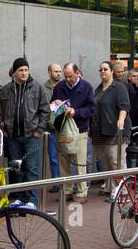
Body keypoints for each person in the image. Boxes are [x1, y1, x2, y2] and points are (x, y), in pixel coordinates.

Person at [0, 57, 50, 209]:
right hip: (13, 136)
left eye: (26, 70)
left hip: (31, 136)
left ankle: (32, 200)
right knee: (17, 169)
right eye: (21, 70)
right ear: (14, 72)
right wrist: (5, 130)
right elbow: (1, 111)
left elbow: (45, 111)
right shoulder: (6, 89)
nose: (24, 73)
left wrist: (39, 130)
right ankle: (20, 198)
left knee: (32, 168)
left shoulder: (37, 88)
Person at [51, 62, 95, 201]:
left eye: (70, 76)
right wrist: (56, 103)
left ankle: (82, 191)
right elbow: (52, 103)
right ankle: (67, 190)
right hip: (63, 128)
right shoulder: (60, 86)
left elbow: (91, 108)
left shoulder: (87, 87)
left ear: (77, 73)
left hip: (79, 129)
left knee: (79, 160)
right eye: (66, 77)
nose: (68, 79)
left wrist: (77, 112)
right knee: (64, 160)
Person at [92, 61, 130, 195]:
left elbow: (124, 106)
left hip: (114, 132)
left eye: (105, 69)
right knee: (106, 163)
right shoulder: (98, 89)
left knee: (116, 161)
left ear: (112, 71)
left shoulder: (118, 88)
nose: (103, 72)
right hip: (100, 131)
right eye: (101, 69)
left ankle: (122, 189)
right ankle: (109, 187)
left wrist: (121, 120)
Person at [43, 63, 63, 184]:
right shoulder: (44, 88)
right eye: (56, 71)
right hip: (51, 128)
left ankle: (70, 184)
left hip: (64, 127)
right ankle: (56, 182)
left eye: (60, 71)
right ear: (49, 72)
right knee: (53, 158)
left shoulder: (65, 86)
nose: (58, 74)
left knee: (68, 158)